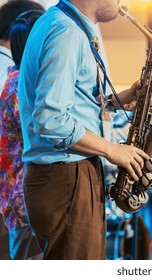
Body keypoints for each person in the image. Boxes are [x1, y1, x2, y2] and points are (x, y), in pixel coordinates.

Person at [18, 0, 152, 260]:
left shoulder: (62, 23)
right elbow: (50, 119)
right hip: (67, 176)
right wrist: (113, 150)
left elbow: (71, 99)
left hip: (67, 174)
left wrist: (116, 100)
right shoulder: (67, 32)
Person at [0, 0, 47, 260]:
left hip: (20, 196)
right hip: (23, 195)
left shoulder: (15, 77)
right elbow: (43, 132)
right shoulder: (19, 82)